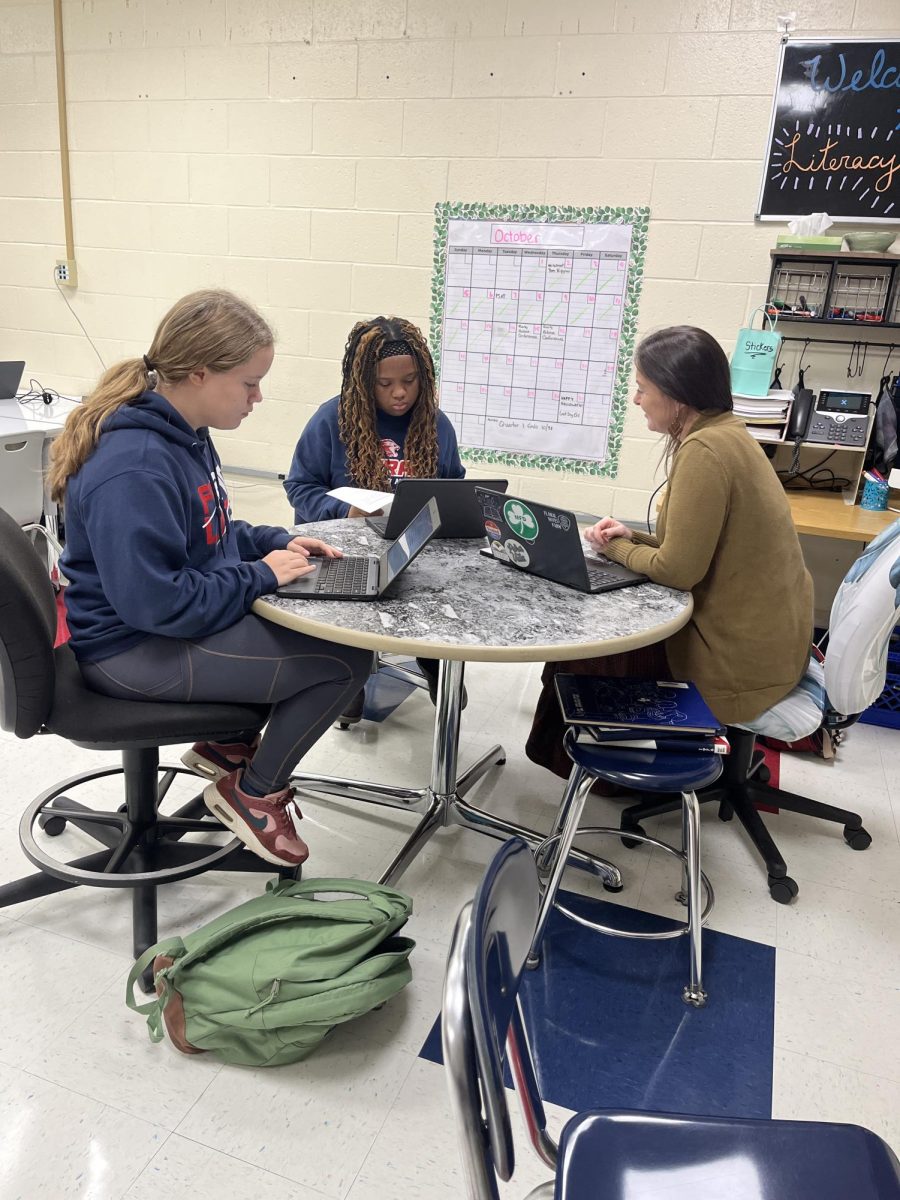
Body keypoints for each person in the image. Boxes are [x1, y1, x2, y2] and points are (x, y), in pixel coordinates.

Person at [49, 290, 372, 868]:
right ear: (199, 373)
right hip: (130, 648)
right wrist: (258, 577)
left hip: (152, 627)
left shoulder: (185, 433)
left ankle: (226, 748)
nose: (258, 397)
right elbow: (161, 605)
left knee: (323, 635)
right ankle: (251, 793)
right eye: (248, 382)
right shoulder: (136, 465)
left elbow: (209, 529)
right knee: (345, 664)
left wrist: (276, 542)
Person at [526, 324, 814, 781]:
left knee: (587, 649)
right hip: (774, 645)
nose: (637, 400)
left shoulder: (704, 451)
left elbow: (678, 570)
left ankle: (605, 779)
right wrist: (634, 537)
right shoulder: (728, 433)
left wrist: (618, 547)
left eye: (642, 389)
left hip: (739, 666)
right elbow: (698, 546)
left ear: (677, 395)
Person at [284, 316, 465, 718]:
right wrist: (343, 510)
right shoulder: (332, 419)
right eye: (385, 384)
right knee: (355, 598)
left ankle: (435, 663)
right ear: (364, 381)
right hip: (344, 550)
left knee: (439, 587)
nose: (400, 393)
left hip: (417, 550)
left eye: (411, 381)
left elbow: (456, 491)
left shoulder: (437, 426)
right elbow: (299, 486)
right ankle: (351, 671)